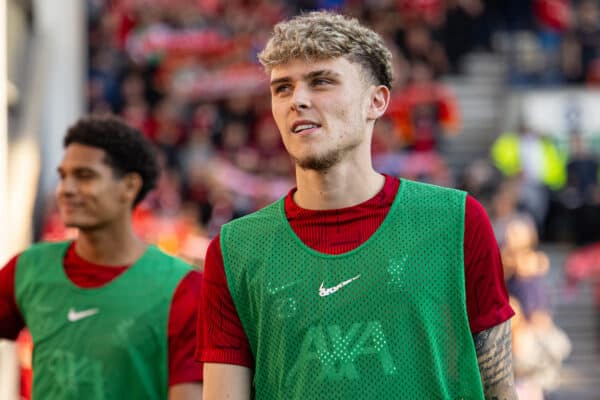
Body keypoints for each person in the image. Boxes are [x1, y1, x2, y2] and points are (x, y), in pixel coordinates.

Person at [198, 11, 516, 399]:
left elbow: (499, 388)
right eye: (282, 88)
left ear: (376, 101)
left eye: (321, 82)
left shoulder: (457, 221)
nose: (297, 100)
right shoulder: (234, 250)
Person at [0, 115, 203, 399]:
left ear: (130, 186)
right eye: (63, 176)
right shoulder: (28, 268)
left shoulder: (184, 289)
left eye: (84, 176)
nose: (66, 189)